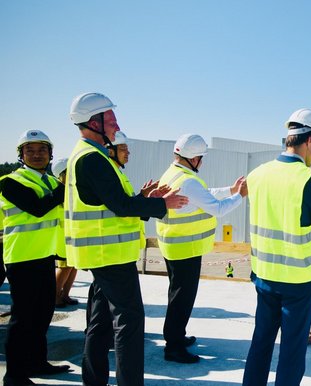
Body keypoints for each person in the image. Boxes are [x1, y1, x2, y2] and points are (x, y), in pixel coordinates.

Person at [65, 92, 188, 386]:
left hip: (102, 255)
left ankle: (94, 381)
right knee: (129, 323)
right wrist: (161, 206)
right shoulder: (93, 159)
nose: (116, 123)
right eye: (111, 118)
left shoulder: (92, 157)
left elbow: (115, 203)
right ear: (94, 122)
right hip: (109, 256)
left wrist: (144, 198)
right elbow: (120, 206)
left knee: (101, 323)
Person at [243, 108, 311, 386]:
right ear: (309, 141)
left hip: (264, 277)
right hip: (298, 283)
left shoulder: (257, 175)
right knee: (292, 351)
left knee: (260, 343)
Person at [156, 133, 247, 363]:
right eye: (200, 157)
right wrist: (239, 196)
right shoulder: (188, 181)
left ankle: (176, 336)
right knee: (182, 299)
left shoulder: (174, 174)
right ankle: (174, 347)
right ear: (192, 158)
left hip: (174, 246)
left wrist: (230, 189)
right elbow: (216, 208)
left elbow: (204, 196)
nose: (202, 162)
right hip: (186, 248)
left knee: (177, 295)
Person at [0, 130, 71, 386]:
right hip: (21, 258)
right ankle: (15, 375)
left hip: (44, 257)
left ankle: (37, 361)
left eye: (42, 150)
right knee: (22, 318)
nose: (37, 154)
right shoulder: (9, 182)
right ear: (21, 155)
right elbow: (38, 208)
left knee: (43, 313)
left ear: (50, 154)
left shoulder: (50, 183)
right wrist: (65, 189)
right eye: (30, 150)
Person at [51, 157, 78, 309]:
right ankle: (54, 296)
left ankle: (65, 294)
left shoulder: (72, 189)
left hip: (73, 233)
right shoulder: (59, 191)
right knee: (65, 266)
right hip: (62, 235)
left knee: (74, 265)